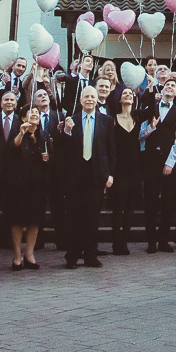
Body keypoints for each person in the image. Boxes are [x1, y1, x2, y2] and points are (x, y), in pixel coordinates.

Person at [53, 85, 113, 268]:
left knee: (92, 219)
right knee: (73, 218)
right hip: (75, 176)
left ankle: (90, 256)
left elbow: (111, 150)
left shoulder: (106, 121)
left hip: (96, 175)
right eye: (86, 96)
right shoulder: (71, 120)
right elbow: (61, 147)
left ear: (97, 100)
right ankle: (72, 256)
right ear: (80, 100)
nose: (89, 99)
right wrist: (67, 131)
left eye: (92, 97)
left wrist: (110, 174)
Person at [142, 78, 176, 252]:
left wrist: (170, 163)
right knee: (151, 202)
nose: (169, 87)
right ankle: (151, 242)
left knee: (168, 202)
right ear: (162, 89)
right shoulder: (151, 109)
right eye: (167, 85)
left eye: (173, 86)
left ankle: (163, 240)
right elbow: (141, 135)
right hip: (151, 160)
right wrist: (151, 128)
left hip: (169, 162)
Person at [3, 105, 50, 269]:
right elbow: (12, 148)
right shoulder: (17, 134)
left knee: (34, 221)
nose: (35, 114)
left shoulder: (44, 136)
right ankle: (17, 255)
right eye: (32, 112)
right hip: (19, 185)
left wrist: (48, 158)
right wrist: (22, 133)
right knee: (17, 221)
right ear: (23, 118)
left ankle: (29, 254)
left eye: (37, 112)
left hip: (38, 186)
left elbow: (51, 159)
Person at [105, 86, 143, 255]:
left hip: (134, 167)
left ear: (134, 99)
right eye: (124, 94)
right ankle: (115, 243)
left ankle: (124, 242)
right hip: (118, 168)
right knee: (118, 207)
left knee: (129, 208)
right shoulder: (112, 119)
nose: (128, 95)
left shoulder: (138, 118)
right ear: (119, 100)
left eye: (130, 93)